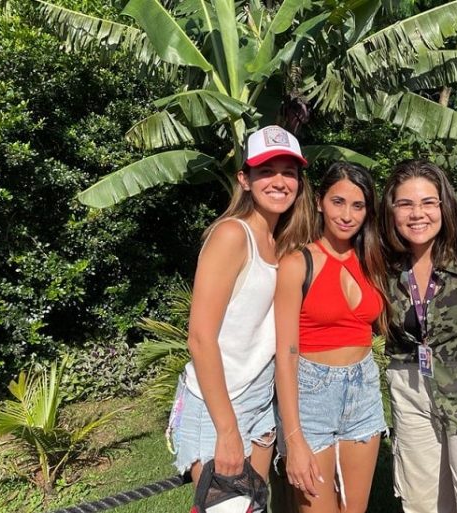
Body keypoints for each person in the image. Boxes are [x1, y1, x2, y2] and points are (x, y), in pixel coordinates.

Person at [166, 126, 314, 494]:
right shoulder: (232, 235)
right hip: (219, 403)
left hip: (258, 398)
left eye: (289, 172)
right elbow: (200, 338)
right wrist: (227, 429)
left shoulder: (279, 240)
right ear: (244, 180)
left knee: (252, 506)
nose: (279, 182)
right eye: (266, 171)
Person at [378, 160, 457, 513]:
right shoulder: (383, 262)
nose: (417, 214)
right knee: (422, 505)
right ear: (391, 210)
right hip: (411, 396)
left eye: (428, 202)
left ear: (444, 205)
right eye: (405, 204)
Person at [274, 162, 388, 513]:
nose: (347, 215)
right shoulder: (297, 263)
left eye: (358, 206)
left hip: (364, 391)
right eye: (338, 202)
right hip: (311, 396)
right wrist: (293, 438)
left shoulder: (373, 261)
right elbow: (285, 355)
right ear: (319, 202)